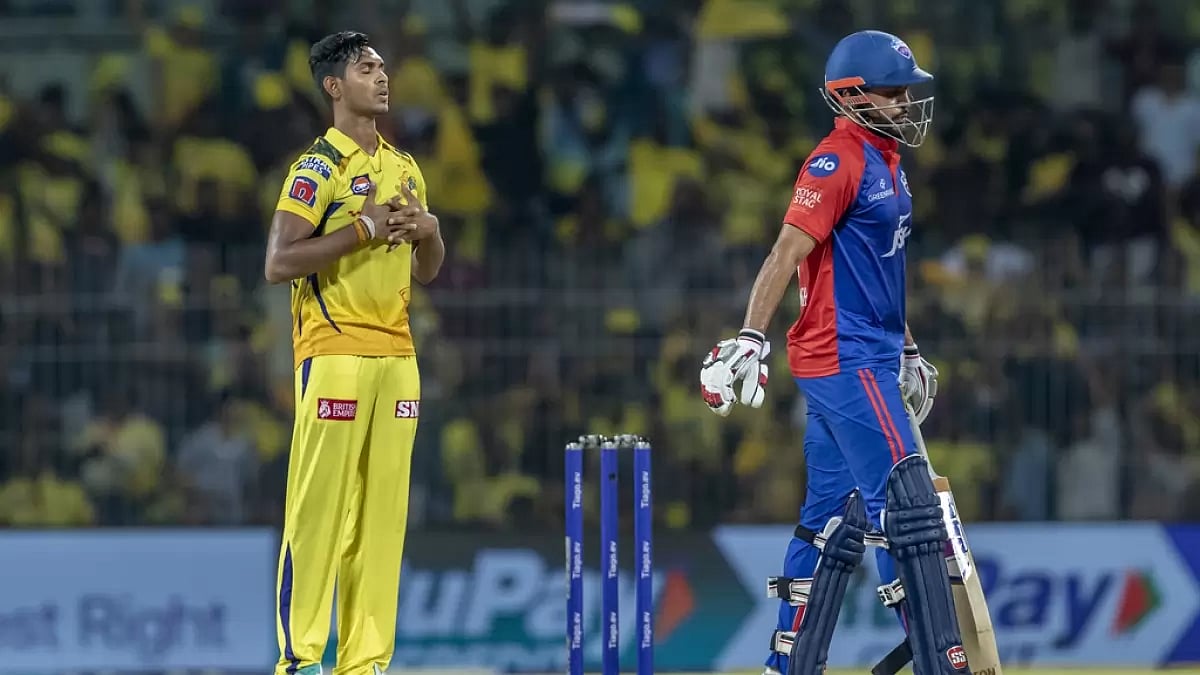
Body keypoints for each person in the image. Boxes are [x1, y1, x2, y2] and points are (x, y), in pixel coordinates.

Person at [699, 31, 966, 675]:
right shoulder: (836, 161)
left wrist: (907, 349)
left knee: (832, 522)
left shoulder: (888, 162)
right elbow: (786, 253)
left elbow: (879, 271)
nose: (907, 103)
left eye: (908, 92)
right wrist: (751, 337)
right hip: (845, 359)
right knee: (906, 505)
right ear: (853, 96)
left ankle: (789, 665)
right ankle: (943, 662)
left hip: (867, 355)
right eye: (894, 92)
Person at [263, 31, 445, 675]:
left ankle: (366, 663)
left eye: (383, 67)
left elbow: (427, 271)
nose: (382, 77)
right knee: (319, 512)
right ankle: (301, 659)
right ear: (335, 87)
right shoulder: (317, 167)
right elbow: (279, 262)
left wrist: (430, 233)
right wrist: (361, 228)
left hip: (398, 356)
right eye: (366, 69)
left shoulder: (405, 166)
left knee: (382, 518)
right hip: (334, 350)